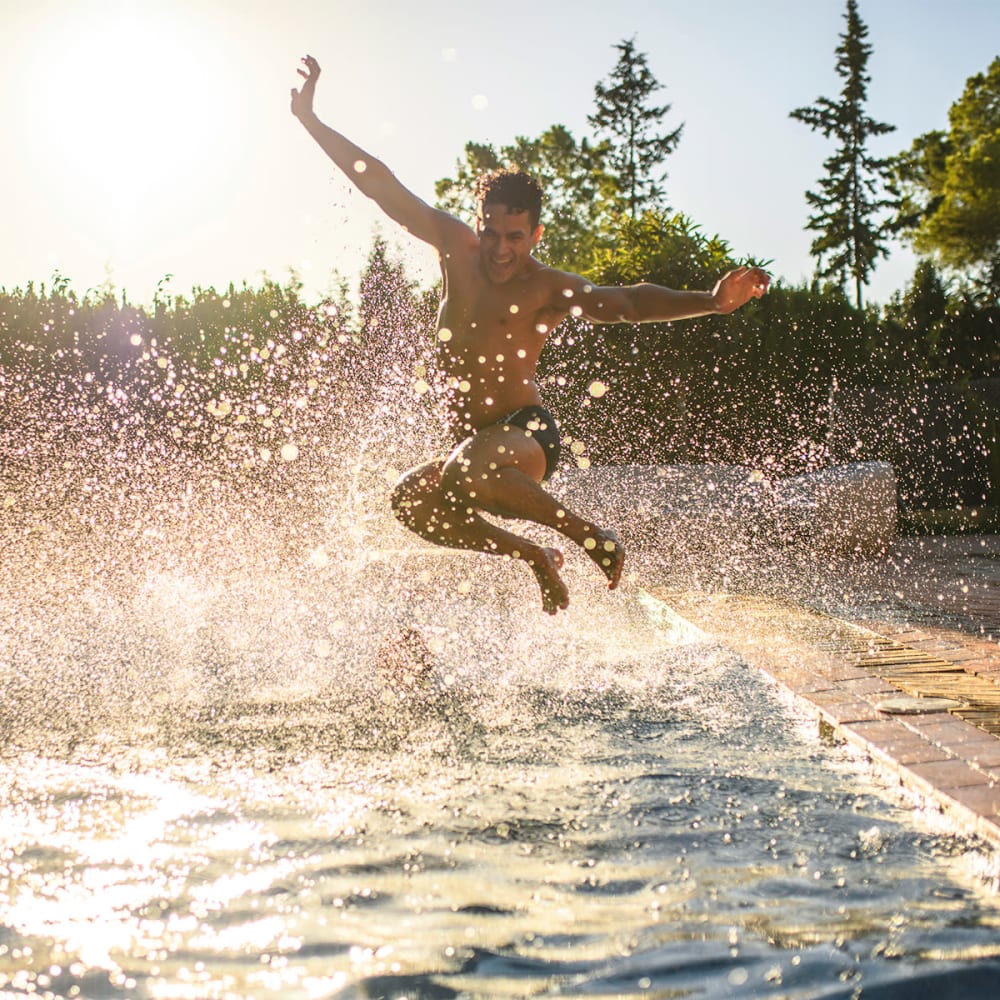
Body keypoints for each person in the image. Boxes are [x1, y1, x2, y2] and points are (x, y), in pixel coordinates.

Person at [291, 55, 769, 615]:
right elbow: (381, 185)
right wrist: (311, 121)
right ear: (477, 224)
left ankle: (592, 536)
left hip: (525, 434)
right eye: (490, 232)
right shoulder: (456, 250)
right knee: (410, 501)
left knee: (463, 469)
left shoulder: (548, 287)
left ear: (536, 233)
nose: (500, 249)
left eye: (515, 237)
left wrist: (711, 303)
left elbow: (630, 302)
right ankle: (533, 555)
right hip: (469, 445)